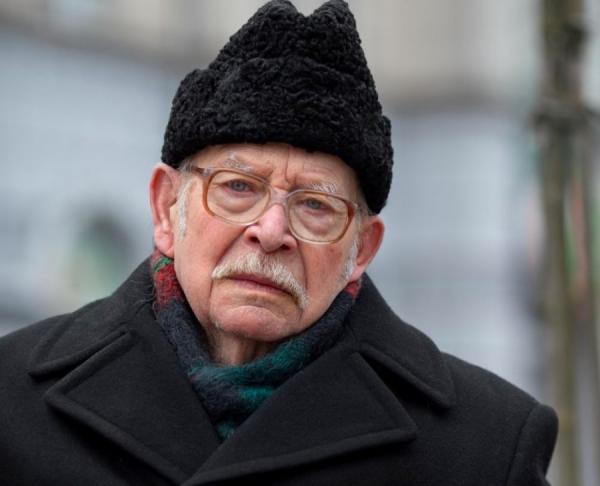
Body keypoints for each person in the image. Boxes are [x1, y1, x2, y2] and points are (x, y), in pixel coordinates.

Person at [0, 1, 557, 484]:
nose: (270, 232)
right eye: (238, 188)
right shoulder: (12, 398)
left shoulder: (485, 446)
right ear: (167, 207)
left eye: (315, 205)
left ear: (361, 250)